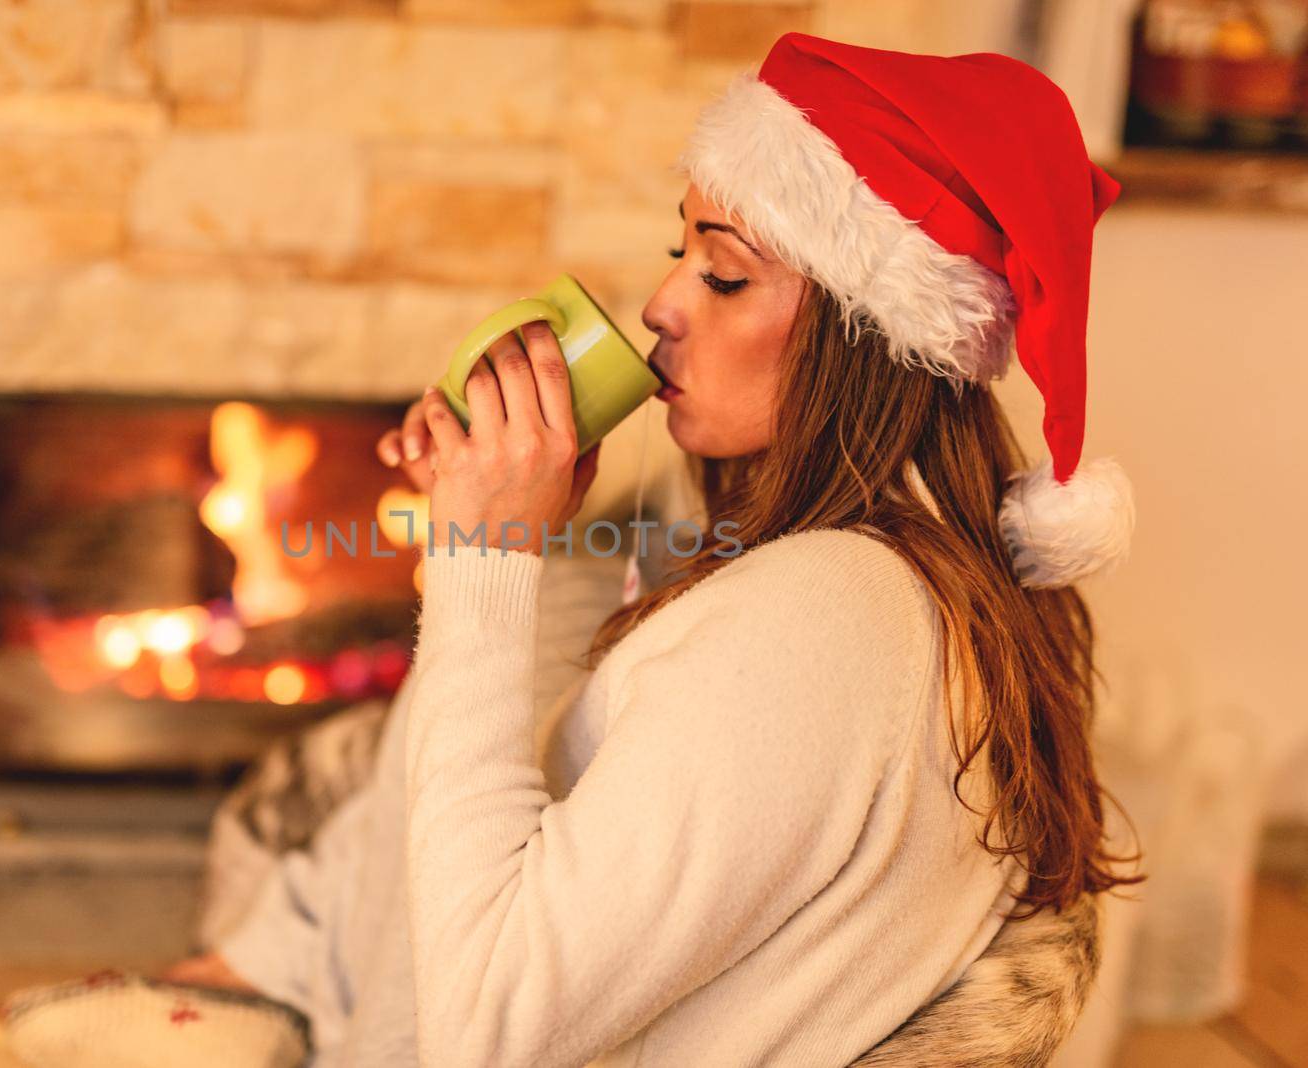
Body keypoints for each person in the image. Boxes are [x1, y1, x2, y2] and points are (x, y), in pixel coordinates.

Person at [159, 31, 1141, 1067]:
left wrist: (480, 560)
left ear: (862, 334)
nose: (661, 304)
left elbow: (482, 1026)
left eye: (722, 275)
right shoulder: (846, 578)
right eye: (682, 251)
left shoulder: (818, 627)